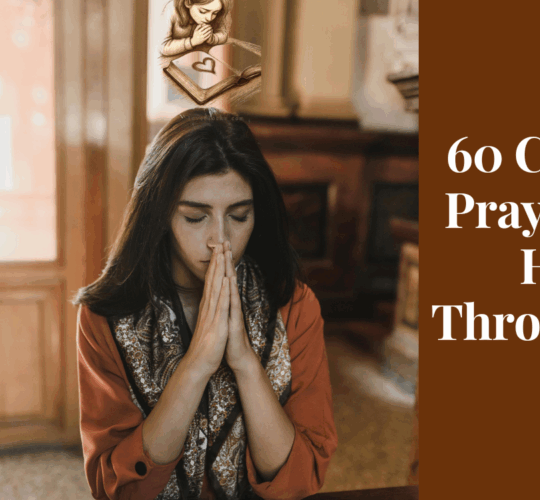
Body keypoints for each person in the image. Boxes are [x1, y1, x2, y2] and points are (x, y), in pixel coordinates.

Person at [74, 107, 337, 500]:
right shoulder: (104, 317)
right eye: (195, 218)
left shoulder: (295, 305)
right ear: (160, 214)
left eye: (239, 216)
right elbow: (116, 488)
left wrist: (245, 363)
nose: (220, 240)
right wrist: (196, 364)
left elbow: (301, 478)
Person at [161, 0, 232, 57]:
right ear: (188, 3)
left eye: (215, 13)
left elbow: (223, 34)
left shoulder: (218, 7)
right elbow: (163, 47)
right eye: (203, 11)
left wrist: (212, 38)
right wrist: (192, 42)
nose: (209, 18)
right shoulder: (171, 10)